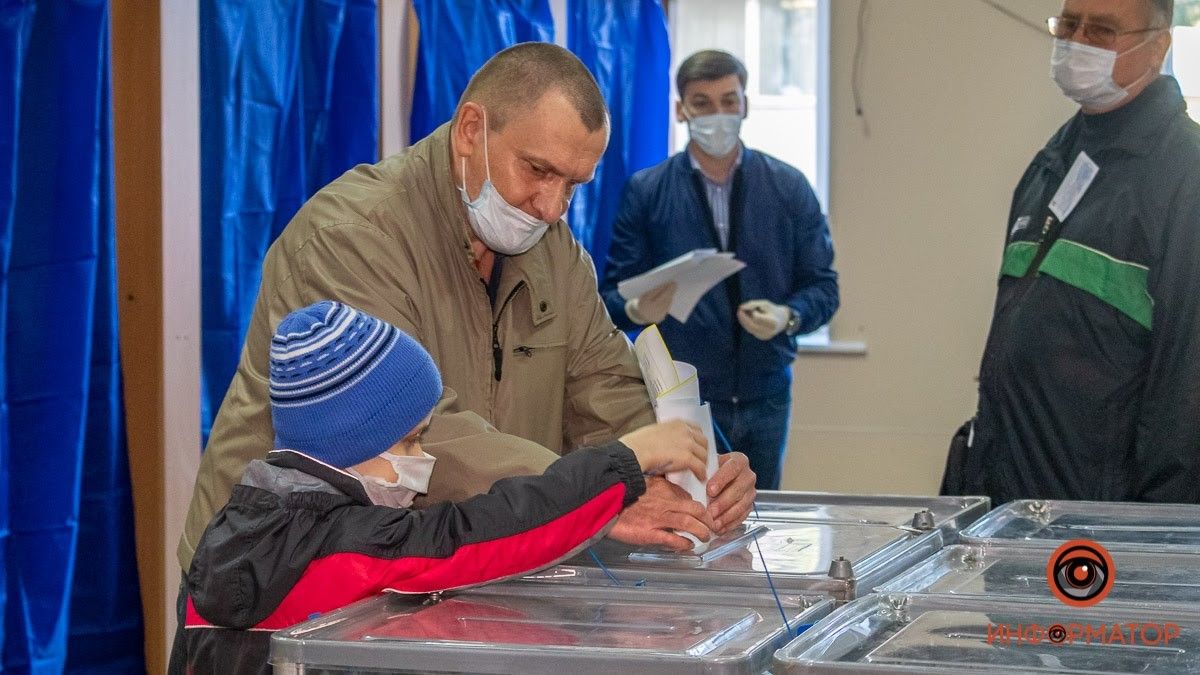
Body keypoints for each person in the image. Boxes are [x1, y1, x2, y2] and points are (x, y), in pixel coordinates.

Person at [180, 42, 757, 577]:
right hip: (272, 579)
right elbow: (419, 436)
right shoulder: (353, 237)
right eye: (537, 170)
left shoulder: (554, 252)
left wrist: (698, 470)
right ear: (471, 131)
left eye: (574, 184)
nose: (552, 206)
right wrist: (591, 500)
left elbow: (609, 388)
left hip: (439, 562)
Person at [181, 301, 712, 672]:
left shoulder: (244, 521)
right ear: (347, 446)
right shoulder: (344, 545)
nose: (424, 461)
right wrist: (626, 459)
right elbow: (483, 534)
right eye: (410, 443)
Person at [954, 0, 1200, 503]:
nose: (1077, 42)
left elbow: (1186, 393)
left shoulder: (1184, 177)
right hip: (1019, 507)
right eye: (1068, 25)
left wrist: (1156, 543)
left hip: (1106, 526)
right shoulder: (1055, 161)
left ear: (1158, 45)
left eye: (1102, 30)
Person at [600, 50, 839, 490]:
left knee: (762, 512)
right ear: (681, 109)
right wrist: (635, 309)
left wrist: (788, 317)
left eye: (729, 101)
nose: (719, 114)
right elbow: (608, 299)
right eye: (703, 103)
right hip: (683, 397)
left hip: (766, 392)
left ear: (746, 103)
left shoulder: (788, 187)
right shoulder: (647, 191)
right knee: (690, 517)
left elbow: (824, 288)